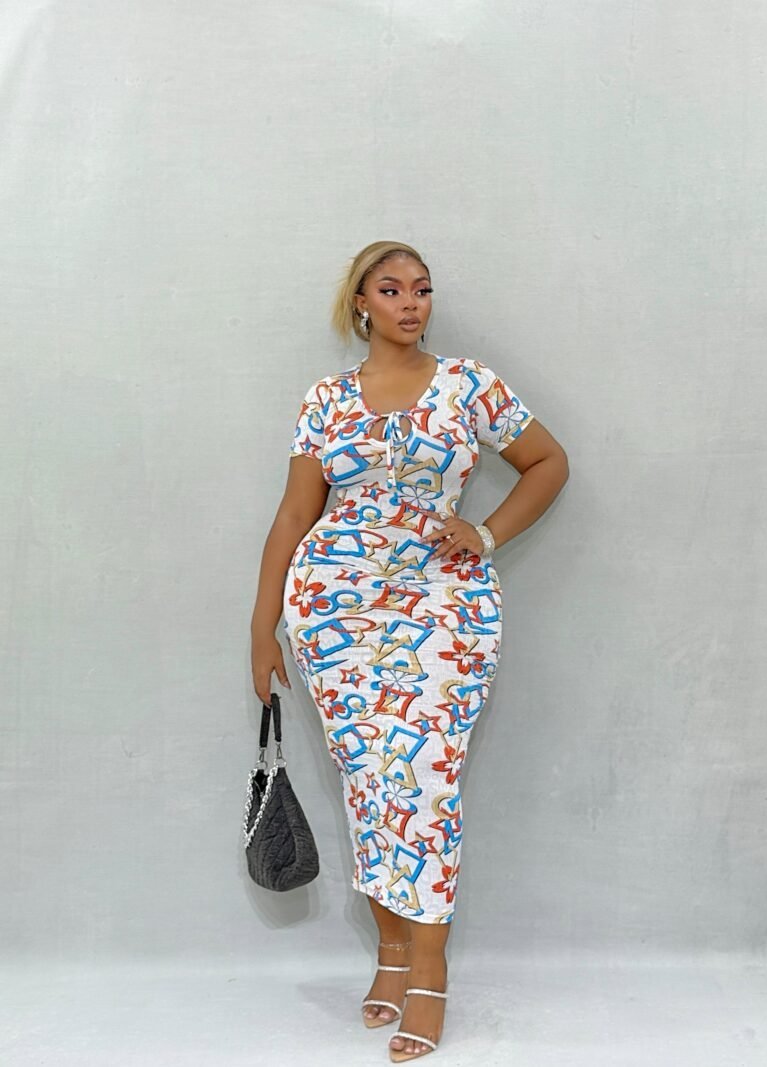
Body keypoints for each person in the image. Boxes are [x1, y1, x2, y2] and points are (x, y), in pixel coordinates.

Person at [250, 240, 569, 1061]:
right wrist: (262, 625)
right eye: (390, 289)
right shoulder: (326, 399)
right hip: (335, 610)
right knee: (370, 780)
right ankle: (391, 953)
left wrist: (486, 532)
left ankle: (430, 966)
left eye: (421, 289)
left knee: (423, 776)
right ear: (361, 303)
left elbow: (547, 461)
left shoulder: (469, 385)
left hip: (444, 604)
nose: (410, 303)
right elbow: (295, 514)